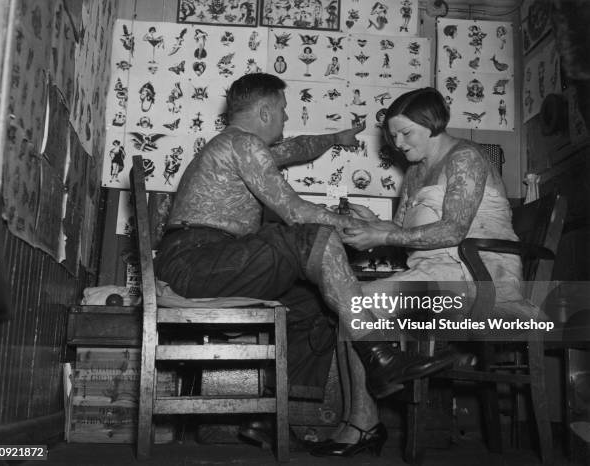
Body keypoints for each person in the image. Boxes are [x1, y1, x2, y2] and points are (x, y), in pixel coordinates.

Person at [154, 75, 455, 450]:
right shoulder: (242, 143)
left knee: (321, 305)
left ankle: (268, 416)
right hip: (197, 258)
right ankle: (379, 354)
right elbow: (295, 211)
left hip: (210, 260)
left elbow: (296, 148)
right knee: (316, 238)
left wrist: (336, 138)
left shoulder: (236, 146)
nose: (286, 116)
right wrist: (362, 227)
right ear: (265, 110)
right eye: (281, 109)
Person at [309, 87, 525, 457]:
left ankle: (363, 425)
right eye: (393, 135)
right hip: (434, 273)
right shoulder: (413, 173)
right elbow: (405, 238)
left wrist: (386, 232)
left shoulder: (465, 158)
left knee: (356, 305)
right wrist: (374, 224)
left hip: (480, 277)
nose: (397, 142)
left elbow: (453, 230)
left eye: (406, 132)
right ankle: (356, 422)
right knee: (349, 303)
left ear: (433, 124)